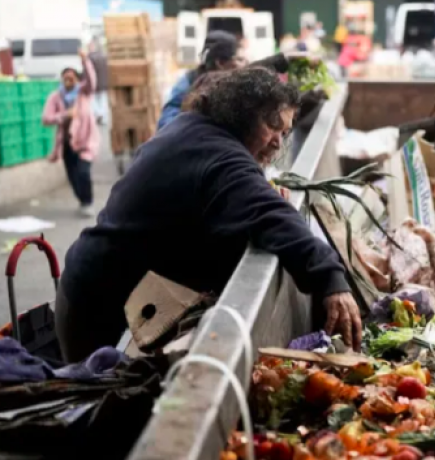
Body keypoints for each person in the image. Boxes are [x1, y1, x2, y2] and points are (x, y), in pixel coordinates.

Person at [55, 67, 362, 362]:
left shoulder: (196, 129)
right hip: (95, 303)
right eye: (272, 126)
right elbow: (271, 216)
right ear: (242, 113)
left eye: (284, 132)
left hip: (104, 286)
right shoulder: (218, 155)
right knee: (95, 387)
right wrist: (330, 278)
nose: (277, 142)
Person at [158, 31, 302, 131]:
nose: (245, 65)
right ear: (220, 63)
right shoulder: (188, 85)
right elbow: (167, 125)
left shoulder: (227, 88)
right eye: (240, 59)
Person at [42, 49, 99, 217]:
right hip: (67, 144)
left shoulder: (84, 92)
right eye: (65, 77)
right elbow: (46, 118)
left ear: (77, 79)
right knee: (73, 176)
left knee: (83, 172)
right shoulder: (55, 97)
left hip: (86, 141)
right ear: (62, 79)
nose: (68, 80)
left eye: (72, 76)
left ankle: (88, 202)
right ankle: (82, 199)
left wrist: (85, 60)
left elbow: (92, 80)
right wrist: (64, 115)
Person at [87, 40, 109, 125]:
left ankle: (99, 114)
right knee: (103, 100)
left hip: (94, 82)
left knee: (93, 100)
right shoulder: (104, 56)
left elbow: (88, 72)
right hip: (104, 82)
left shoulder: (89, 58)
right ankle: (103, 117)